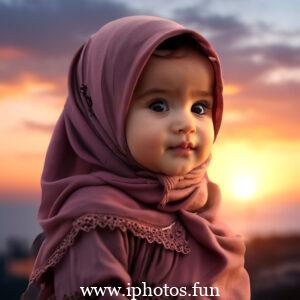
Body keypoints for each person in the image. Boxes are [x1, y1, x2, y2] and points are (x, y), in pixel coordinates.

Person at [21, 15, 250, 299]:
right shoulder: (98, 219)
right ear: (104, 114)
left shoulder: (200, 202)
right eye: (158, 105)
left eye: (200, 107)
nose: (187, 123)